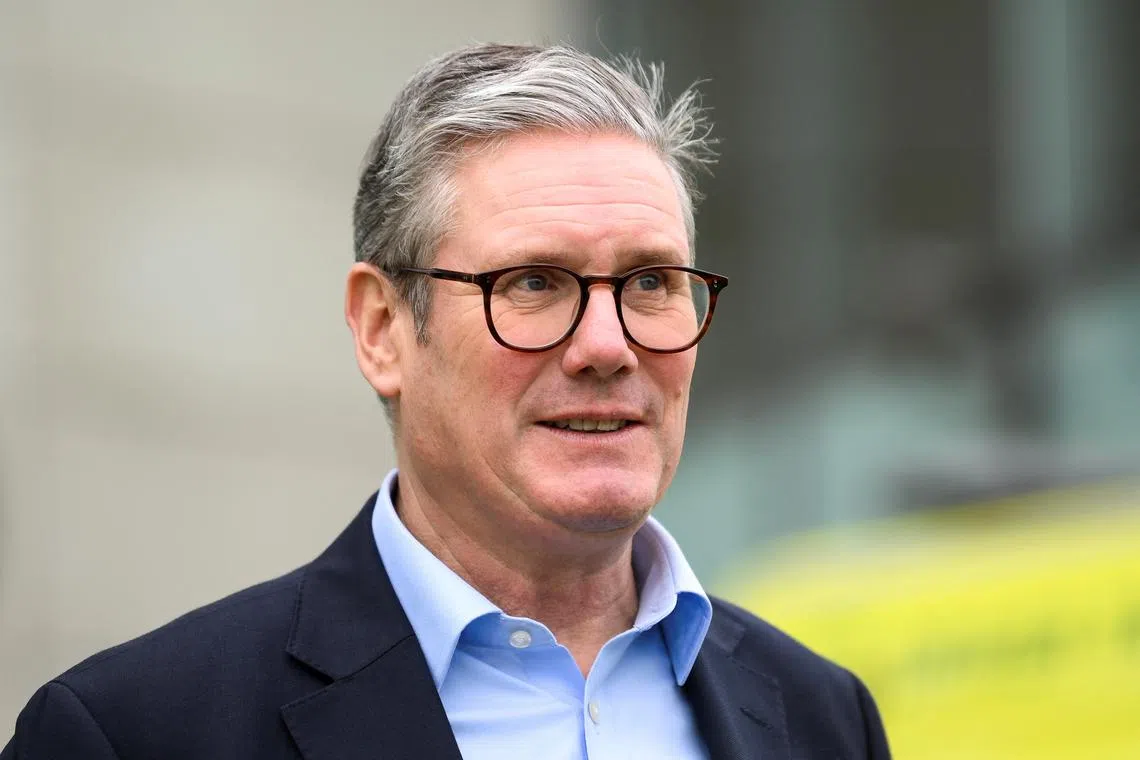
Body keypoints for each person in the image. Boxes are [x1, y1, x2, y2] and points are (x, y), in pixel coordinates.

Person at [3, 43, 889, 759]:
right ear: (383, 328)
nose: (609, 346)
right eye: (536, 282)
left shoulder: (823, 720)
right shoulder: (134, 734)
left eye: (652, 281)